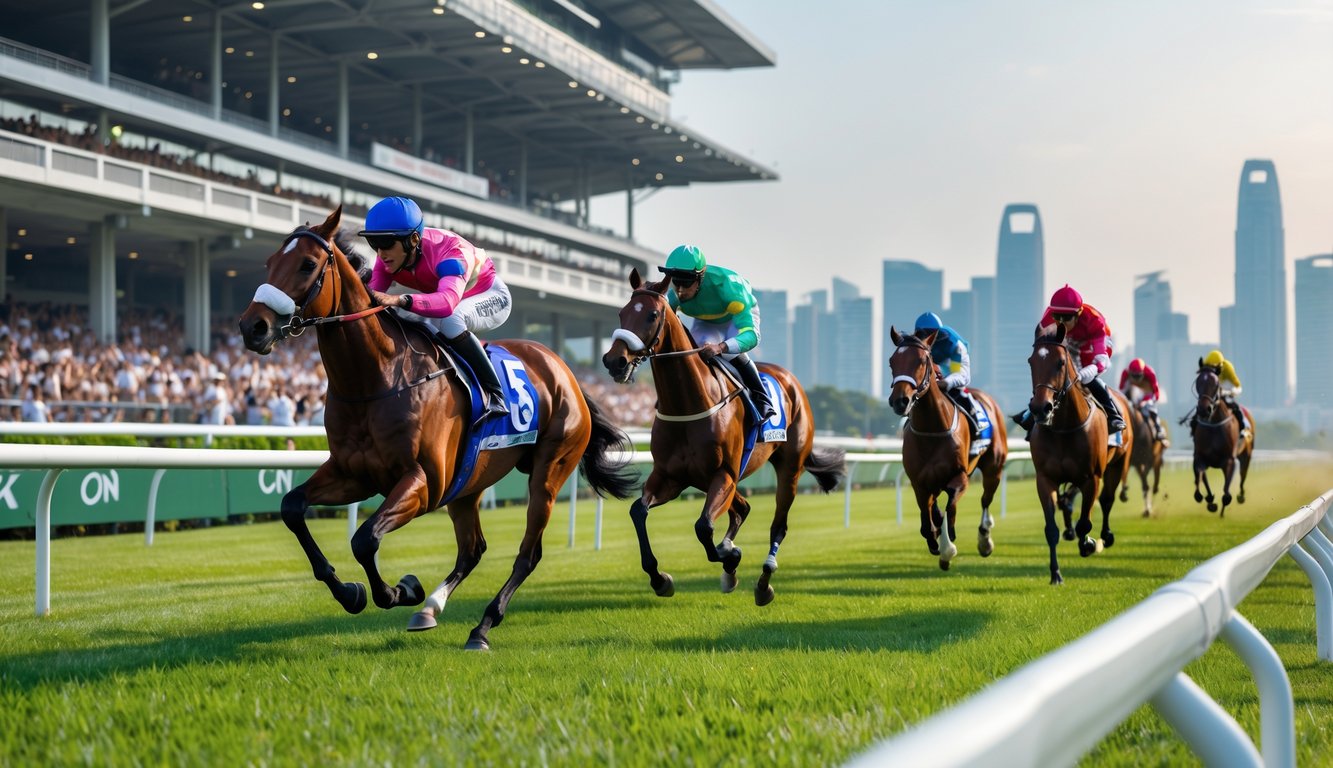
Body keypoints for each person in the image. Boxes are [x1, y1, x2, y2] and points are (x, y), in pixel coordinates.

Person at [359, 196, 512, 425]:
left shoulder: (450, 254)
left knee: (451, 321)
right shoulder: (388, 258)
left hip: (490, 297)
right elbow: (369, 301)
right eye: (375, 244)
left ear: (412, 239)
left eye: (387, 243)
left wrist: (400, 299)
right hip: (451, 296)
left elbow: (447, 303)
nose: (380, 254)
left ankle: (496, 394)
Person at [659, 244, 776, 421]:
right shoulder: (674, 294)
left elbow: (752, 336)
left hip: (735, 319)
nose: (680, 290)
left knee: (730, 353)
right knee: (693, 353)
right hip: (706, 321)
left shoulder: (728, 288)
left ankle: (763, 399)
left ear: (701, 277)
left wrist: (721, 347)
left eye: (687, 282)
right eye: (676, 281)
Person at [1013, 284, 1126, 436]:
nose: (1061, 321)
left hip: (1092, 346)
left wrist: (1083, 373)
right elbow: (1042, 348)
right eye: (1057, 317)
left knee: (1086, 379)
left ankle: (1113, 414)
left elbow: (1101, 363)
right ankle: (1033, 412)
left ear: (1078, 313)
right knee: (1051, 371)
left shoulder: (1095, 321)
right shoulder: (1047, 317)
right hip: (1068, 342)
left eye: (1066, 318)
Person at [911, 312, 982, 439]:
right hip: (936, 362)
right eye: (922, 334)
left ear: (938, 332)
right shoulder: (918, 343)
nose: (926, 338)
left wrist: (946, 381)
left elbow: (958, 373)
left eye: (930, 334)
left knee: (954, 387)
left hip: (955, 360)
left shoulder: (952, 343)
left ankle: (976, 421)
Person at [1197, 348, 1250, 438]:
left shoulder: (1227, 367)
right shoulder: (1207, 369)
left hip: (1227, 392)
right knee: (1201, 407)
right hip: (1214, 394)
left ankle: (1243, 427)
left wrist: (1228, 392)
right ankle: (1194, 428)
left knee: (1235, 407)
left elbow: (1238, 387)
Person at [1119, 357, 1168, 444]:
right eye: (1133, 376)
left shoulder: (1150, 373)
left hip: (1148, 393)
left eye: (1138, 376)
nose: (1136, 378)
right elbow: (1121, 390)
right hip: (1133, 393)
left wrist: (1145, 402)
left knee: (1149, 407)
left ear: (1143, 372)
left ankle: (1158, 428)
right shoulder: (1125, 373)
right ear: (1129, 372)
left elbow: (1156, 394)